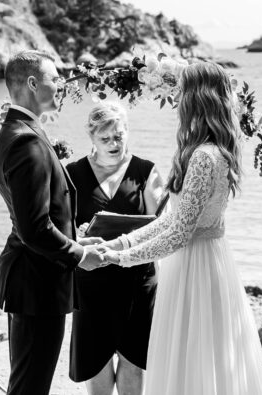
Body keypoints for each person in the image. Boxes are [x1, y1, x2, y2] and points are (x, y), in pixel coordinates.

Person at [101, 61, 262, 395]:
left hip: (195, 266)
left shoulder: (204, 157)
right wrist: (121, 243)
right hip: (206, 259)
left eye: (183, 92)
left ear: (197, 98)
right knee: (207, 358)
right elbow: (168, 221)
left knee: (193, 356)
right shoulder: (211, 150)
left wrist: (121, 259)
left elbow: (179, 233)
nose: (178, 99)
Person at [0, 50, 108, 395]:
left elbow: (38, 217)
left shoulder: (15, 130)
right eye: (54, 78)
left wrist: (75, 239)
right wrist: (79, 255)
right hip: (37, 284)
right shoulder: (27, 142)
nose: (60, 84)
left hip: (32, 279)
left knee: (28, 383)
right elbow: (34, 228)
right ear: (31, 83)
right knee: (30, 387)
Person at [65, 102, 166, 395]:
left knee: (134, 360)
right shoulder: (72, 173)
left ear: (127, 132)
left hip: (137, 279)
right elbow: (61, 228)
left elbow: (162, 225)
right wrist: (78, 234)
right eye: (105, 138)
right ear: (92, 137)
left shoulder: (146, 171)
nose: (113, 143)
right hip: (91, 279)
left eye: (119, 136)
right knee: (94, 360)